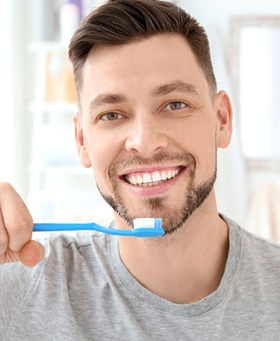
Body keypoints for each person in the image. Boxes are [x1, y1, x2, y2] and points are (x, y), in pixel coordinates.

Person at [1, 0, 280, 339]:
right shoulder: (21, 289)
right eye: (111, 115)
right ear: (82, 141)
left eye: (175, 104)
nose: (145, 143)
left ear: (222, 119)